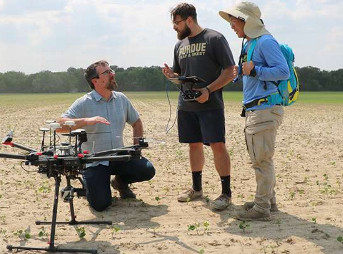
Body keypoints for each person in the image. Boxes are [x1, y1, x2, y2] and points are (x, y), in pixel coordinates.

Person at [219, 2, 290, 220]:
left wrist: (256, 69)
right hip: (257, 109)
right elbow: (251, 71)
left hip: (265, 108)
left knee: (262, 160)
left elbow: (283, 72)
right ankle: (268, 200)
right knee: (262, 158)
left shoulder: (265, 41)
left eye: (234, 20)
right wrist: (240, 72)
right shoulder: (250, 43)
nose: (231, 25)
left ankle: (261, 209)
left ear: (246, 21)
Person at [162, 3, 235, 210]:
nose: (174, 27)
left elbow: (229, 71)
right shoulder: (180, 45)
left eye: (177, 22)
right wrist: (172, 76)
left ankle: (225, 193)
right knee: (193, 145)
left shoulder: (215, 39)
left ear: (189, 20)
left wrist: (208, 91)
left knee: (217, 145)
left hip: (210, 104)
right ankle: (197, 189)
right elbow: (180, 74)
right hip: (186, 105)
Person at [57, 60, 155, 212]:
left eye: (111, 71)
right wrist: (86, 121)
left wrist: (137, 149)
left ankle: (120, 182)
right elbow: (60, 125)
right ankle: (90, 186)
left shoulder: (121, 99)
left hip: (118, 157)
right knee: (101, 204)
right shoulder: (83, 103)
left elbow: (137, 122)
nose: (112, 74)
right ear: (95, 80)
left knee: (147, 170)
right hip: (95, 160)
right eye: (107, 72)